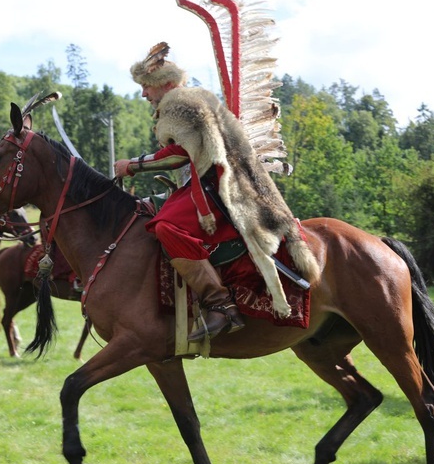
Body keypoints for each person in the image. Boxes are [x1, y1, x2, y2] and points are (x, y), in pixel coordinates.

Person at [114, 42, 319, 343]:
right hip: (211, 180)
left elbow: (180, 154)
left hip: (218, 185)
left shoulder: (178, 102)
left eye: (146, 86)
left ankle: (221, 306)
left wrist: (132, 165)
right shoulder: (193, 99)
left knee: (165, 226)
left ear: (166, 84)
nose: (144, 93)